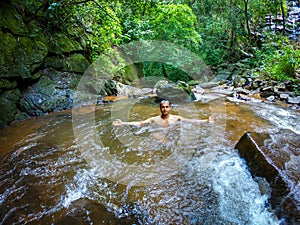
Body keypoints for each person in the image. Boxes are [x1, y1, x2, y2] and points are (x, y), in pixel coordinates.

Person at [113, 100, 214, 127]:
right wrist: (123, 123)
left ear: (170, 108)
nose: (165, 109)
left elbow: (191, 121)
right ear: (160, 108)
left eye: (167, 107)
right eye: (163, 107)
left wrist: (206, 121)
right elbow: (140, 123)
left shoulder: (176, 118)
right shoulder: (154, 119)